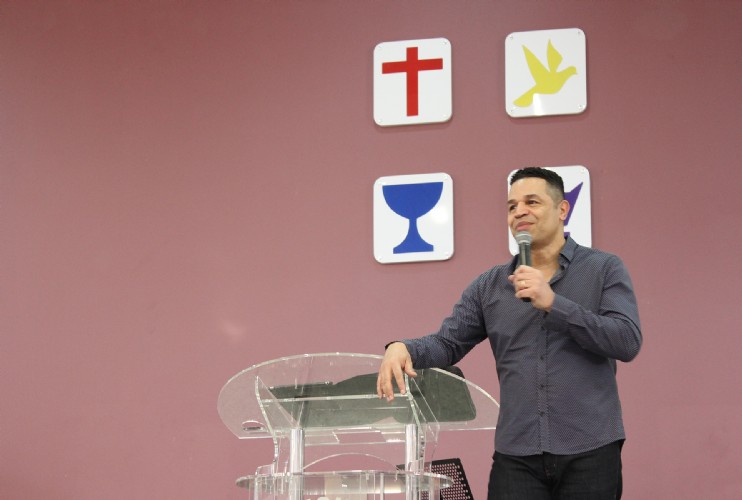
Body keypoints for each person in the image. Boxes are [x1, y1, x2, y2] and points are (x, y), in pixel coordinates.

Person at [376, 167, 642, 499]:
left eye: (532, 202)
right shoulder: (489, 286)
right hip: (517, 454)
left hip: (590, 448)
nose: (519, 212)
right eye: (512, 206)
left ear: (562, 209)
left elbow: (626, 340)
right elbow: (448, 342)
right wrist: (403, 347)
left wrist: (554, 304)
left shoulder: (603, 268)